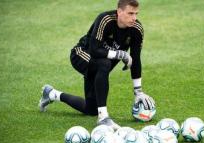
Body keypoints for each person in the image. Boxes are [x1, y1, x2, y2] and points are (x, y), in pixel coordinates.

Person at [38, 0, 155, 130]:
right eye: (130, 13)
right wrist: (120, 54)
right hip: (81, 54)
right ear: (119, 11)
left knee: (91, 109)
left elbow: (136, 59)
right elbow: (94, 49)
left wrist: (138, 92)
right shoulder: (105, 19)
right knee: (104, 64)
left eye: (136, 14)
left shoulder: (136, 29)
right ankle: (103, 117)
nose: (134, 18)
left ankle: (51, 94)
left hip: (99, 64)